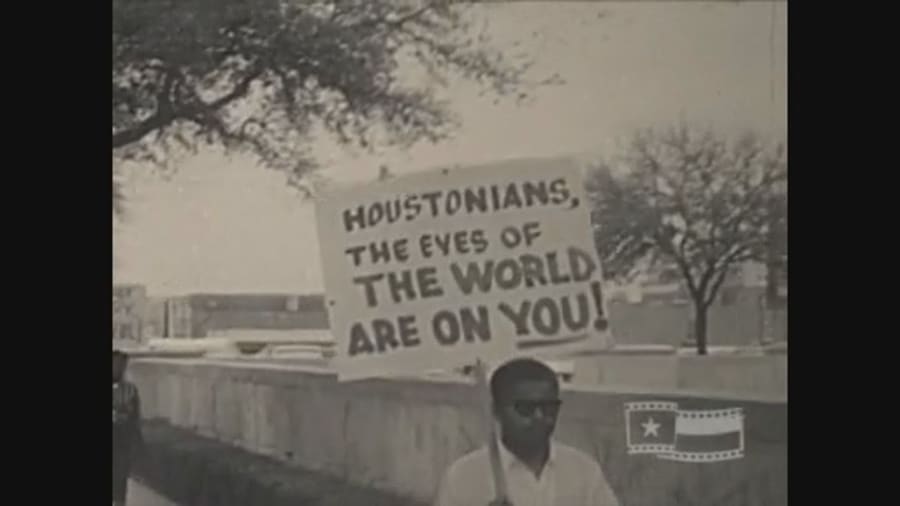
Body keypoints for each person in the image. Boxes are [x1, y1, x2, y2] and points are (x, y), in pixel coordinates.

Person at [434, 358, 620, 506]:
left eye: (548, 407)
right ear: (497, 410)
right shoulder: (463, 478)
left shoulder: (584, 472)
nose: (539, 417)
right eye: (525, 408)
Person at [113, 350, 144, 506]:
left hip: (122, 442)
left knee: (120, 480)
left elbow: (135, 419)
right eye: (115, 364)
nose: (118, 368)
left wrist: (137, 445)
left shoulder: (131, 390)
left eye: (122, 365)